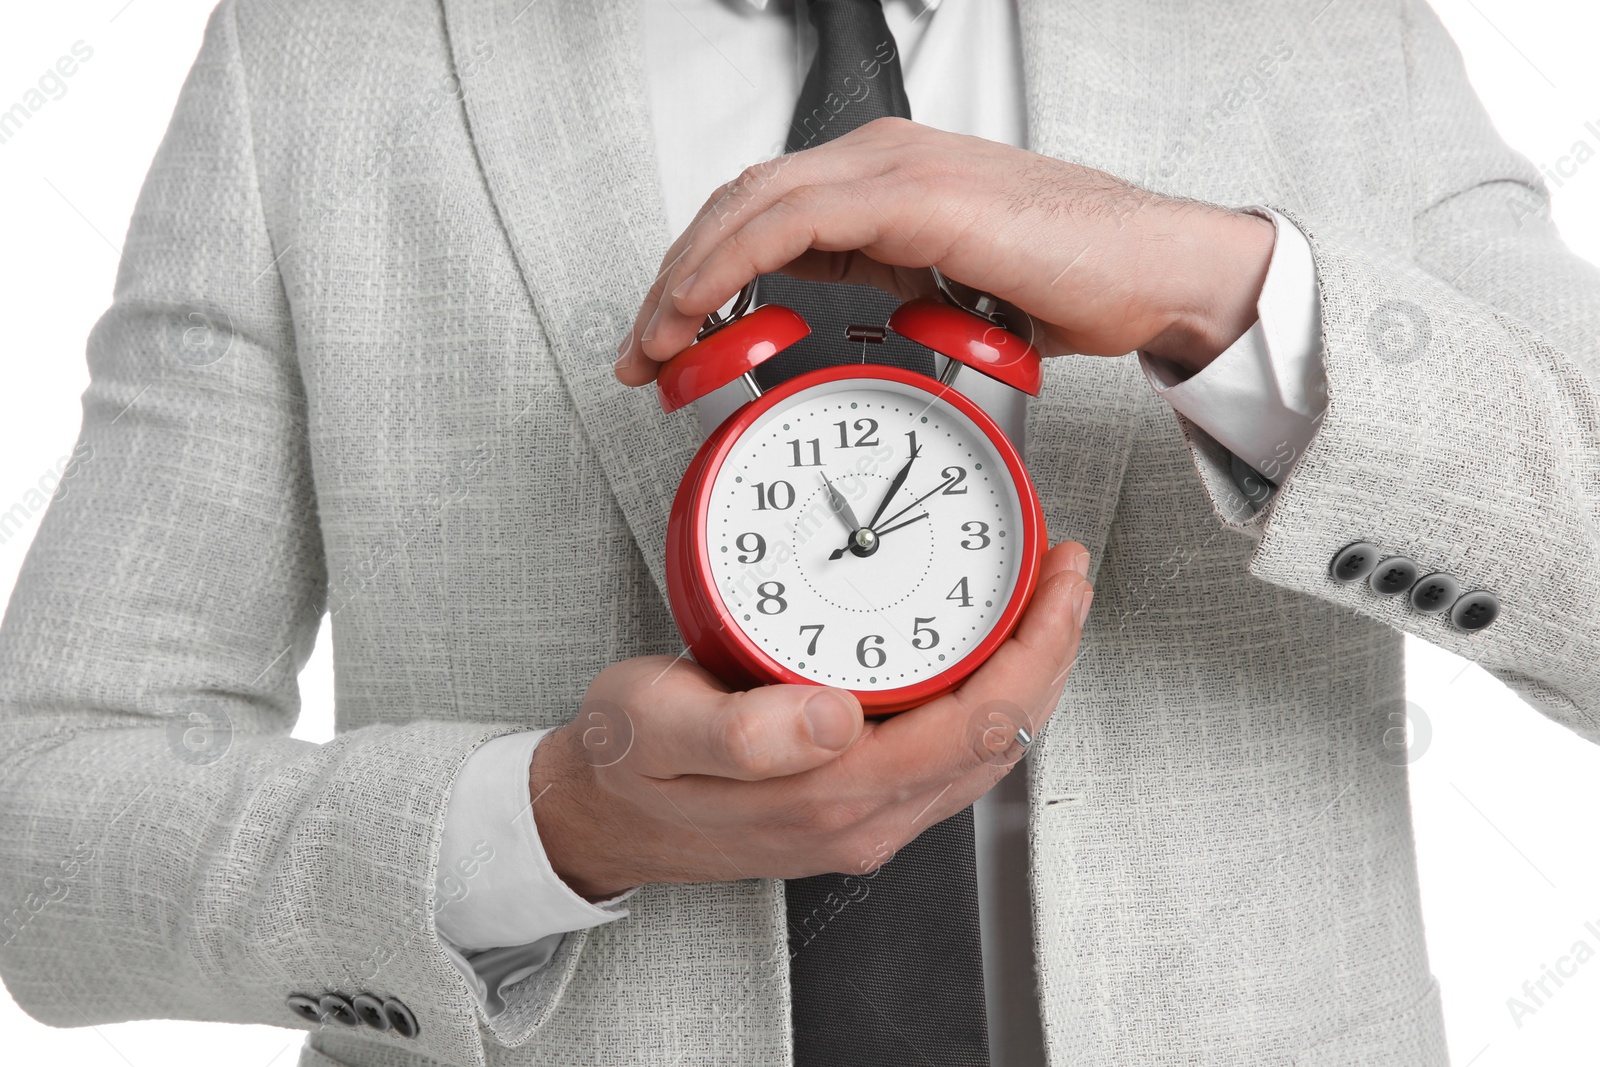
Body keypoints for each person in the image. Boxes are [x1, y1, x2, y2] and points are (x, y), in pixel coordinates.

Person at [1, 1, 1596, 1066]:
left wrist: (1231, 299)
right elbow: (47, 821)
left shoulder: (1319, 30)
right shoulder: (327, 52)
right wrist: (546, 829)